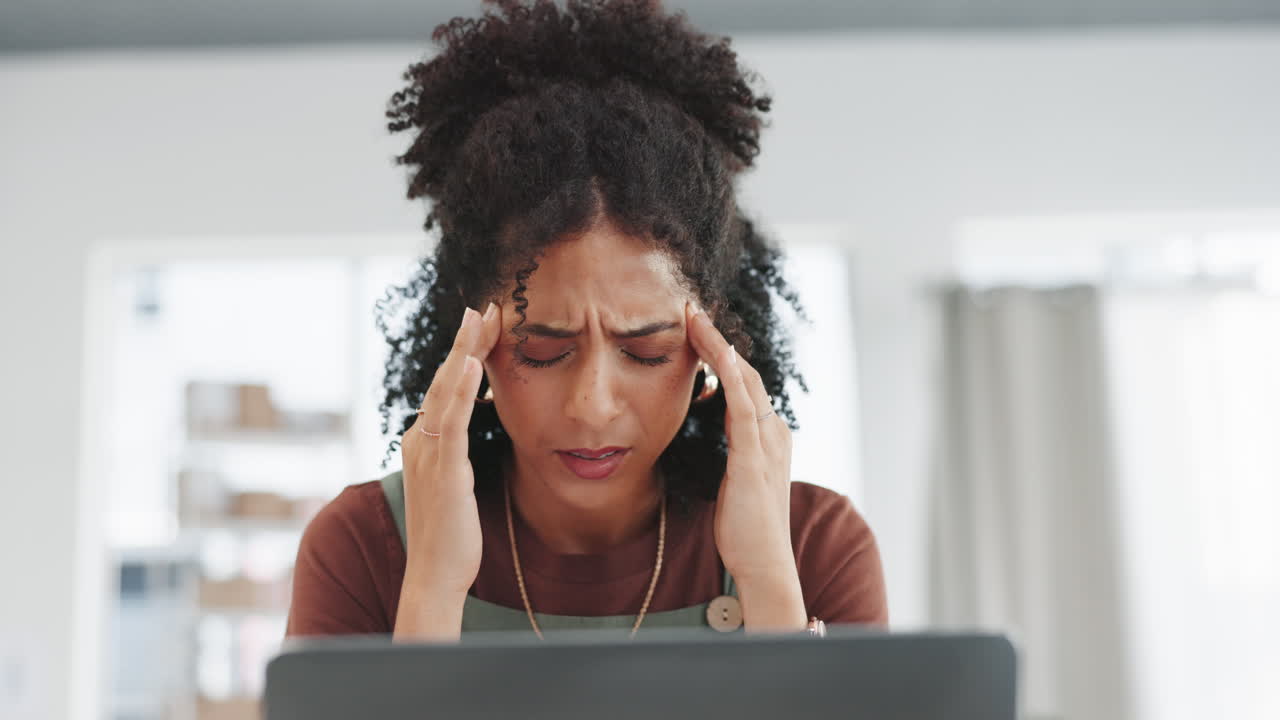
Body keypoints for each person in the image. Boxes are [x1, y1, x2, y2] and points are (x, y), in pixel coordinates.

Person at [286, 0, 887, 642]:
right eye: (543, 351)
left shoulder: (816, 545)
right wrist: (433, 584)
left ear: (711, 345)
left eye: (647, 349)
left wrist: (767, 578)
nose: (593, 407)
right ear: (476, 340)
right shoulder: (363, 547)